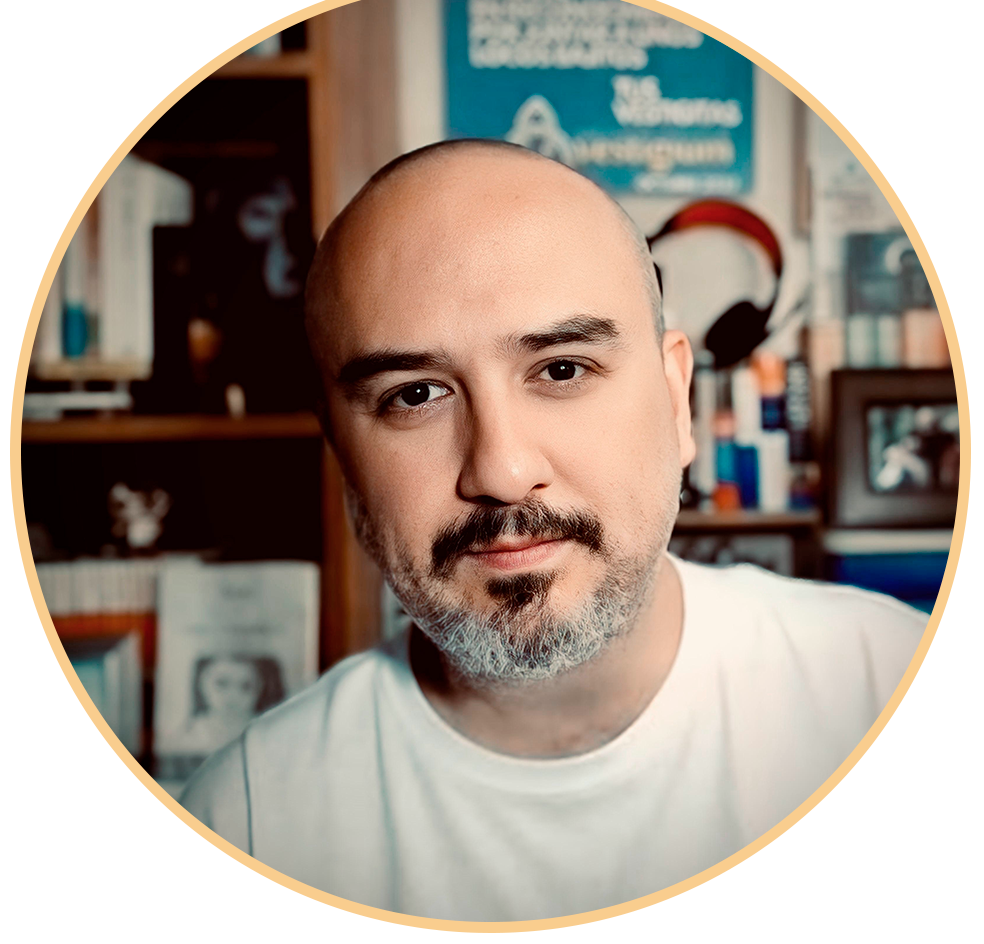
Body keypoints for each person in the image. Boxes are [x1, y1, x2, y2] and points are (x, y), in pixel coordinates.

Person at [181, 139, 927, 922]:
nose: (501, 470)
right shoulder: (248, 824)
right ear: (340, 449)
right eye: (415, 394)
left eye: (562, 369)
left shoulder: (896, 695)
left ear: (677, 400)